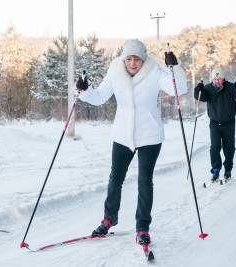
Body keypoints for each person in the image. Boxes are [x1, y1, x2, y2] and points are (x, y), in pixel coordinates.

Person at [76, 39, 187, 245]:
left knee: (144, 180)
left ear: (143, 59)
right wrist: (85, 91)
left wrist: (175, 68)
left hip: (149, 135)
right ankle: (109, 219)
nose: (133, 63)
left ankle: (142, 227)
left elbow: (177, 89)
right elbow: (99, 96)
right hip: (122, 134)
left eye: (137, 59)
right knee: (115, 178)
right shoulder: (116, 72)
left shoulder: (154, 71)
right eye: (129, 58)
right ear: (123, 59)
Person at [194, 68, 236, 182]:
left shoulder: (231, 87)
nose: (217, 81)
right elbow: (199, 97)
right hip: (214, 123)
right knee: (214, 147)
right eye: (215, 79)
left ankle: (228, 169)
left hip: (228, 123)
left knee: (229, 148)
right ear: (212, 79)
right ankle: (216, 169)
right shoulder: (207, 88)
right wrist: (198, 89)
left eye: (220, 79)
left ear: (223, 79)